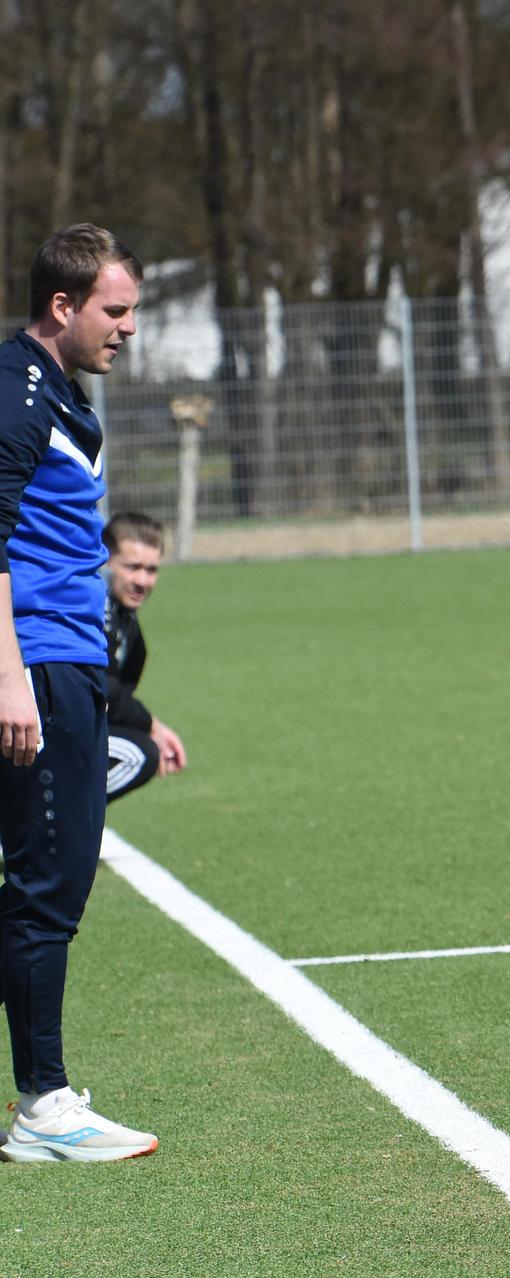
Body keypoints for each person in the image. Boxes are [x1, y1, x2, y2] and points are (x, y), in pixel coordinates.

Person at [0, 224, 157, 1162]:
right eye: (117, 309)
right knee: (50, 890)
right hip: (39, 666)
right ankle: (45, 1110)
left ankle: (44, 1103)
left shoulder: (52, 388)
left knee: (37, 887)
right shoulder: (18, 398)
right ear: (63, 307)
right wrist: (10, 676)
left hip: (64, 660)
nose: (129, 327)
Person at [103, 512, 187, 802]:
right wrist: (151, 724)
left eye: (151, 570)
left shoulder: (125, 618)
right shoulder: (95, 611)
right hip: (37, 730)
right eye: (133, 567)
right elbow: (100, 686)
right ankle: (44, 823)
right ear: (105, 560)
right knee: (138, 755)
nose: (143, 580)